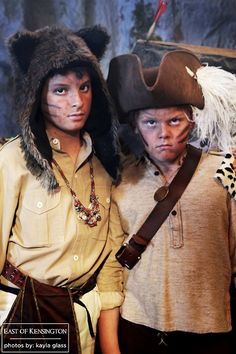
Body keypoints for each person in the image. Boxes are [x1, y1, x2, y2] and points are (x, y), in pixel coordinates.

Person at [0, 25, 124, 354]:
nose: (77, 101)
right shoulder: (12, 161)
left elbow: (112, 258)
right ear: (38, 94)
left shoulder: (106, 164)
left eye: (84, 87)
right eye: (61, 90)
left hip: (86, 315)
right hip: (24, 314)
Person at [107, 50, 236, 354]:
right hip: (136, 326)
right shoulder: (119, 178)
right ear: (136, 128)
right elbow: (111, 268)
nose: (163, 134)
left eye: (175, 120)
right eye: (150, 123)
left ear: (191, 122)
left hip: (211, 327)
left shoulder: (225, 169)